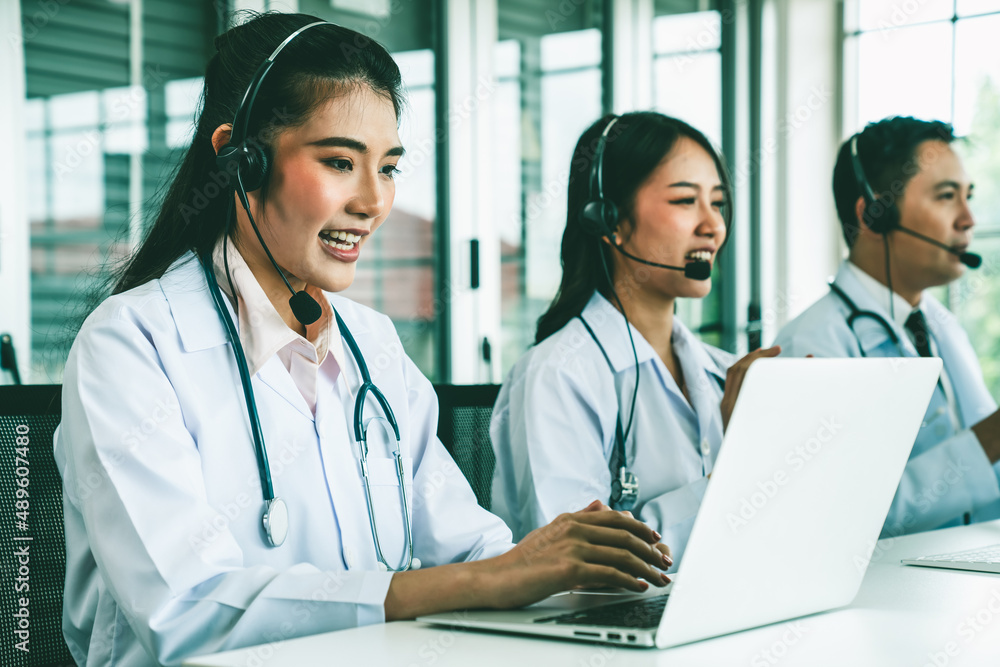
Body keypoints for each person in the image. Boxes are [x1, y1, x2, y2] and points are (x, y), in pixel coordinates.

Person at [55, 14, 673, 667]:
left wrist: (562, 572)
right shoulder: (132, 344)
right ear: (241, 161)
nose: (375, 200)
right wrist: (480, 582)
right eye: (340, 161)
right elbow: (188, 610)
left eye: (389, 166)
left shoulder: (371, 345)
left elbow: (467, 550)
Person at [490, 112, 779, 566]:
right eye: (686, 201)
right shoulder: (559, 374)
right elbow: (583, 566)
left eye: (718, 204)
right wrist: (737, 470)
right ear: (611, 220)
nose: (713, 226)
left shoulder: (725, 372)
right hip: (598, 627)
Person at [773, 116, 1000, 538]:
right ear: (875, 214)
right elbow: (837, 516)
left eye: (968, 196)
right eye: (947, 196)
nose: (968, 219)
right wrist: (990, 438)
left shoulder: (941, 326)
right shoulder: (811, 345)